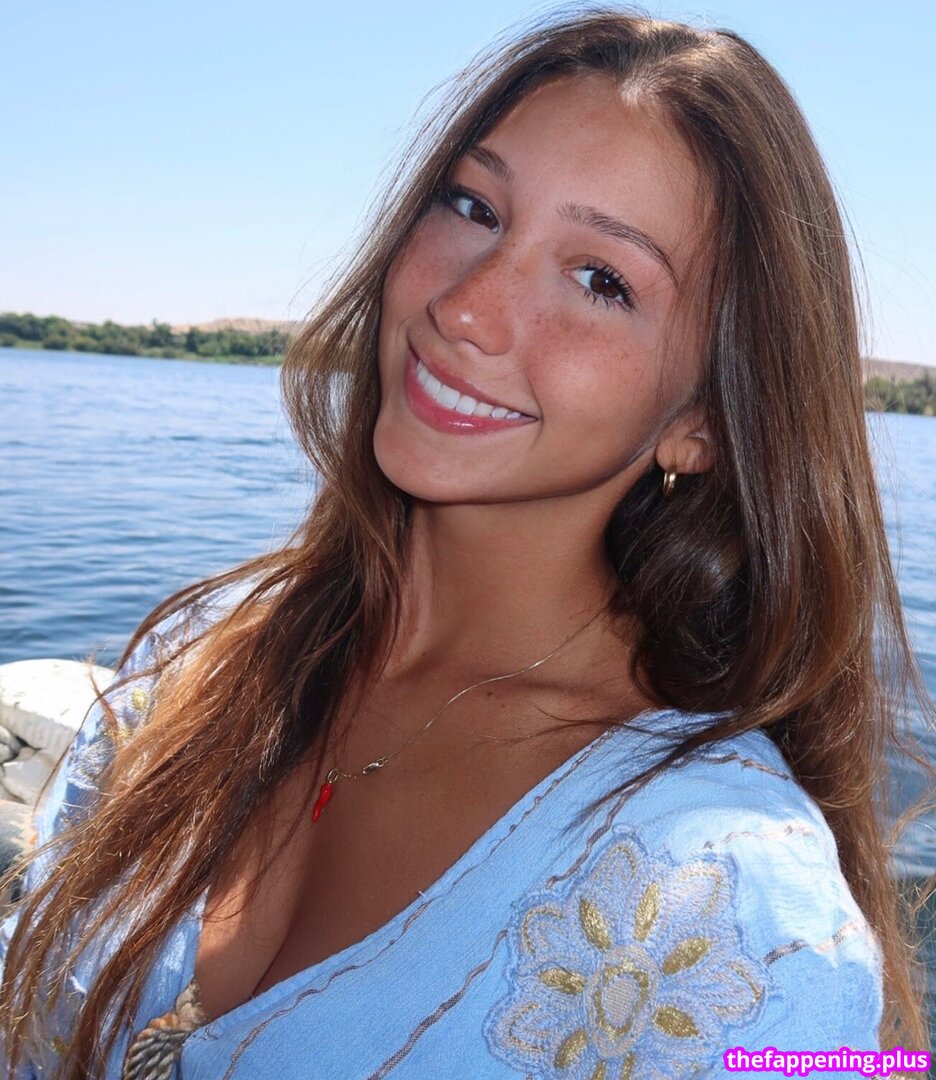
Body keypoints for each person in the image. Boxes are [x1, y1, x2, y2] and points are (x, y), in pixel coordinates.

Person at [1, 9, 932, 1078]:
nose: (467, 307)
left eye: (602, 279)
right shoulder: (198, 662)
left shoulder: (730, 914)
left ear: (705, 422)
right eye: (474, 206)